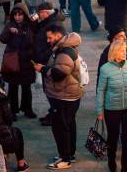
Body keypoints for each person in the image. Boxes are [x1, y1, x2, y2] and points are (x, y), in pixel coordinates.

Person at [33, 26, 89, 169]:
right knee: (69, 124)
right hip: (69, 94)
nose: (48, 40)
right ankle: (69, 154)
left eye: (50, 37)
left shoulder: (64, 52)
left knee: (61, 127)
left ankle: (65, 159)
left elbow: (59, 74)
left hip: (64, 96)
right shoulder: (66, 47)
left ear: (58, 35)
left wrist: (43, 69)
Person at [97, 40, 127, 172]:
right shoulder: (105, 69)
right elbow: (101, 91)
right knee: (112, 138)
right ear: (115, 52)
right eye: (122, 51)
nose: (125, 53)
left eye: (125, 51)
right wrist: (99, 111)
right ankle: (112, 164)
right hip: (112, 109)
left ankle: (125, 168)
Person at [0, 3, 37, 119]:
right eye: (15, 15)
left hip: (26, 60)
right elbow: (2, 39)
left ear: (24, 15)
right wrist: (9, 32)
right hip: (13, 60)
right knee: (13, 87)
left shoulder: (30, 25)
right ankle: (13, 110)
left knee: (26, 87)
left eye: (20, 15)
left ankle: (27, 109)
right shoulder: (10, 25)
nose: (17, 17)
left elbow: (35, 38)